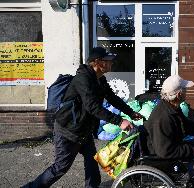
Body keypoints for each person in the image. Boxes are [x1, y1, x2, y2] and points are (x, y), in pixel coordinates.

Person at [22, 47, 143, 188]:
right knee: (60, 167)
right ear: (98, 62)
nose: (112, 63)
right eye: (108, 60)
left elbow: (112, 98)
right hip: (68, 131)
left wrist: (130, 112)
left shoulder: (100, 80)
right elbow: (92, 107)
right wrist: (119, 121)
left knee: (92, 160)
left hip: (84, 130)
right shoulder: (83, 79)